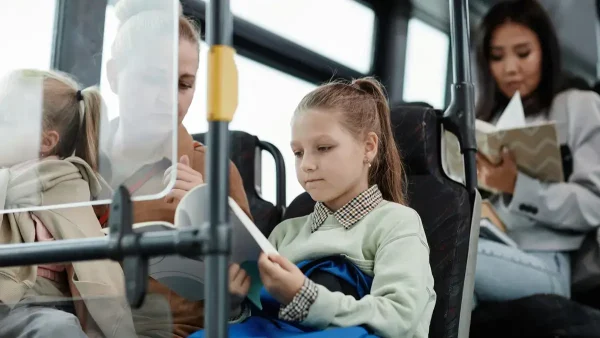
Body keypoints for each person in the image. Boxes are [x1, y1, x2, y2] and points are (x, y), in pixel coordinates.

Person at [191, 77, 436, 338]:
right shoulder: (285, 233)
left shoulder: (396, 222)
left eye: (323, 148)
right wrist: (233, 303)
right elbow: (258, 317)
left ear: (369, 147)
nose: (306, 164)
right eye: (298, 153)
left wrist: (304, 296)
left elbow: (399, 318)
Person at [100, 0, 253, 336]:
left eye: (184, 85)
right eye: (154, 80)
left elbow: (248, 283)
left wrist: (204, 212)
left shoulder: (213, 170)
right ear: (114, 76)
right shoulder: (77, 160)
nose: (170, 99)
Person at [473, 0, 600, 306]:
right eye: (497, 57)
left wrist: (518, 186)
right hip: (490, 243)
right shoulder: (486, 122)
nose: (511, 68)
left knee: (446, 255)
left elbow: (594, 204)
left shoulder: (579, 106)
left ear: (545, 51)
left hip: (547, 262)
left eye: (523, 53)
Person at [0, 69, 136, 337]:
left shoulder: (64, 188)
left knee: (57, 329)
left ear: (45, 141)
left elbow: (96, 272)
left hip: (34, 307)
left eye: (5, 120)